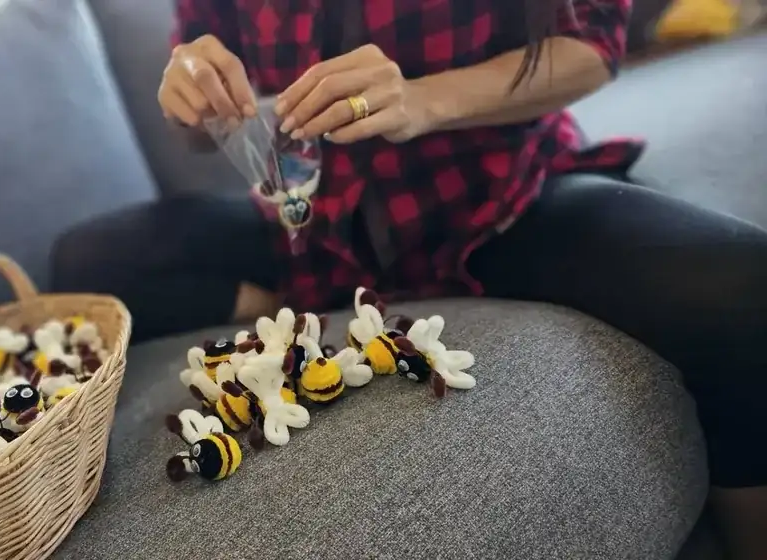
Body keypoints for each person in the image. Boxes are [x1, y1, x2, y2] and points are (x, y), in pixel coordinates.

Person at [49, 0, 767, 556]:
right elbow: (199, 119)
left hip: (494, 204)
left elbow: (591, 44)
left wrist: (424, 99)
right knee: (89, 262)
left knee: (744, 291)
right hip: (315, 233)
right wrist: (191, 93)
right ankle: (298, 304)